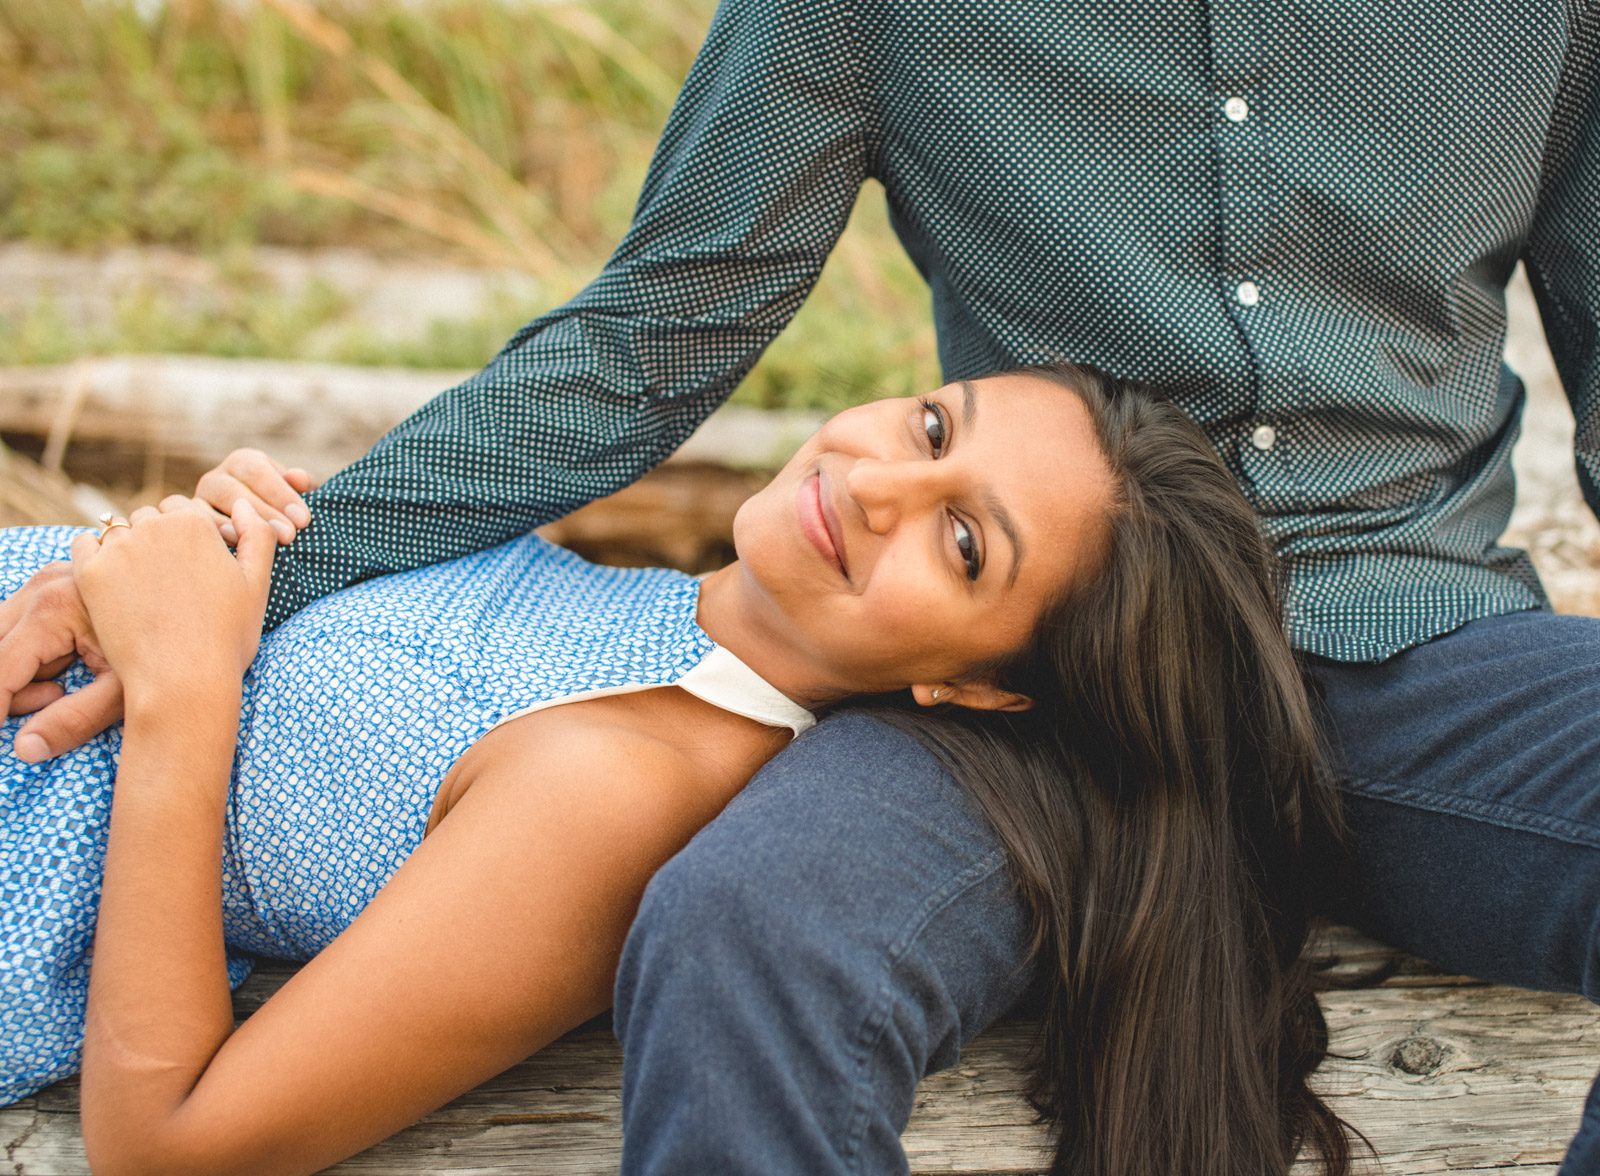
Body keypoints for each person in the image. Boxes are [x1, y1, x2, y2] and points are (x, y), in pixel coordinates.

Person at [1, 0, 1596, 1170]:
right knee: (751, 930)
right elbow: (650, 334)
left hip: (1416, 633)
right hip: (1030, 667)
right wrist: (254, 572)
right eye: (926, 429)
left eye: (946, 507)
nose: (886, 475)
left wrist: (198, 658)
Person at [1, 365, 1349, 1173]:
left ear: (981, 686)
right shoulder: (624, 595)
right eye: (935, 430)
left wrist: (186, 693)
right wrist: (234, 548)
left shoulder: (626, 792)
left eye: (962, 547)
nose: (879, 486)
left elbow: (170, 1144)